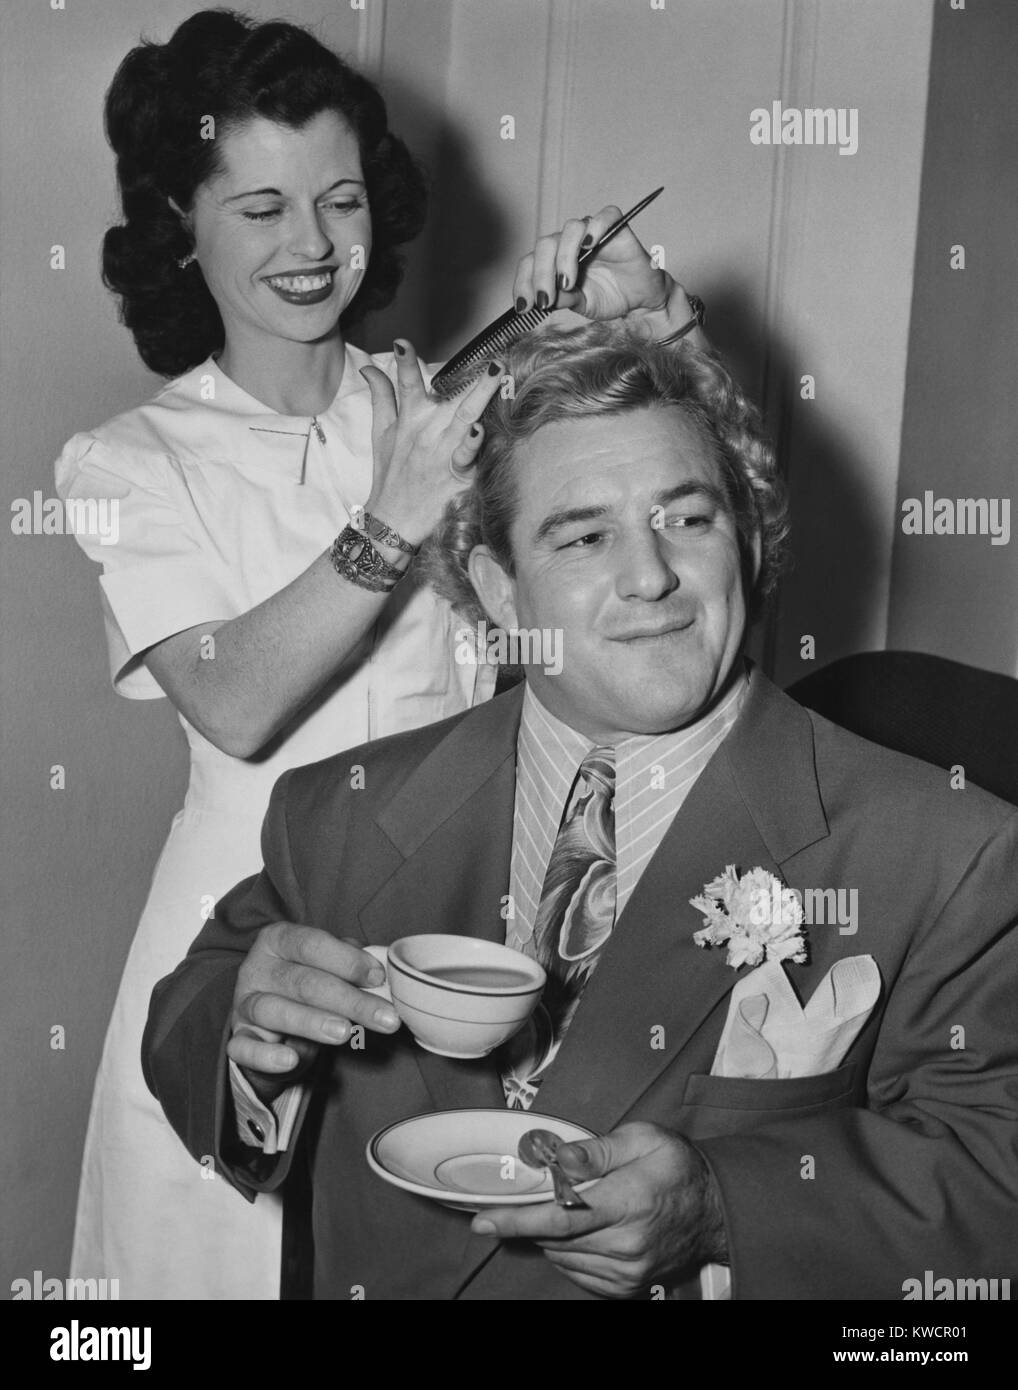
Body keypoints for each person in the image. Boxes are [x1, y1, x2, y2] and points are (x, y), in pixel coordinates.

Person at [142, 320, 1018, 1299]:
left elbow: (995, 1179)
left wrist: (725, 1206)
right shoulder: (341, 814)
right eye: (584, 535)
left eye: (689, 519)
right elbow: (198, 1007)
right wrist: (245, 1035)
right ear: (499, 592)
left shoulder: (945, 851)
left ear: (751, 538)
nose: (649, 576)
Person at [56, 11, 701, 1299]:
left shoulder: (440, 396)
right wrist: (393, 514)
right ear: (179, 222)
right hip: (238, 969)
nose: (311, 247)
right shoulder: (129, 462)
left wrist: (653, 323)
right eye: (259, 208)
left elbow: (662, 545)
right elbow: (236, 700)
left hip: (452, 952)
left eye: (340, 201)